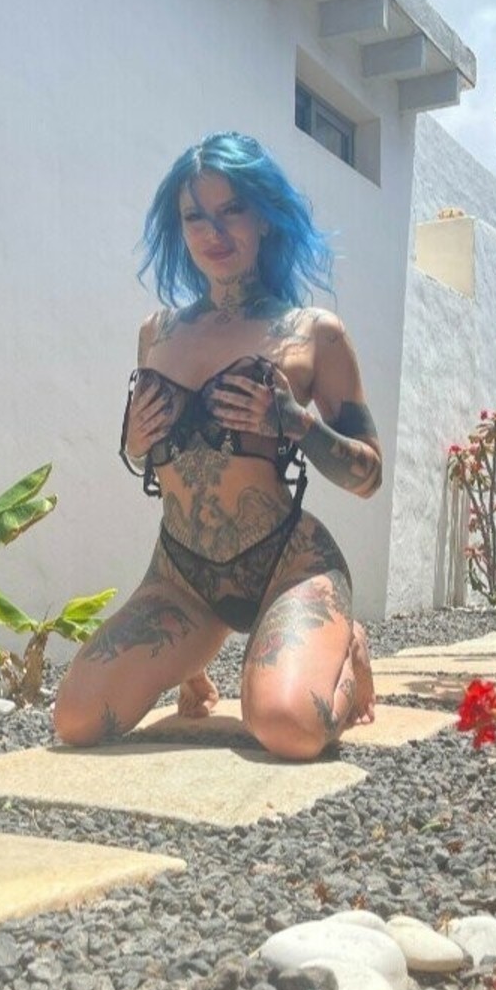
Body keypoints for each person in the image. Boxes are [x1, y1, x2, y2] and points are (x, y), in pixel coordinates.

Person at [52, 131, 380, 761]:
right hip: (181, 577)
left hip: (287, 565)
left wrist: (298, 425)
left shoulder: (313, 333)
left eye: (232, 209)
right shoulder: (157, 332)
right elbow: (154, 459)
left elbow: (369, 477)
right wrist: (133, 443)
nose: (213, 231)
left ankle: (348, 646)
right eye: (194, 216)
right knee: (76, 720)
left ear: (265, 217)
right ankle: (190, 657)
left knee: (287, 728)